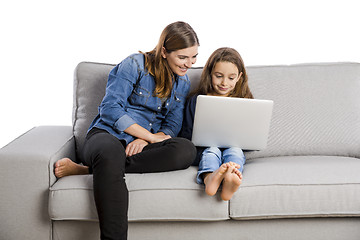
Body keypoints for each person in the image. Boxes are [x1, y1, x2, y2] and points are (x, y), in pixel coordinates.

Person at [54, 21, 199, 240]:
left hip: (143, 147)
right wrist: (147, 135)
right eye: (182, 57)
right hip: (107, 134)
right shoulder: (134, 64)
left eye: (194, 56)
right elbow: (110, 109)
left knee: (186, 150)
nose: (189, 64)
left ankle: (89, 170)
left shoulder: (183, 82)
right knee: (109, 153)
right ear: (164, 52)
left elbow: (171, 127)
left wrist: (148, 141)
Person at [179, 47, 253, 201]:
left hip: (233, 148)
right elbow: (186, 134)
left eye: (231, 78)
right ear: (210, 74)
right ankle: (209, 179)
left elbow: (251, 138)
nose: (224, 83)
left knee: (235, 152)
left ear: (239, 77)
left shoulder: (245, 101)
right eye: (218, 76)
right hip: (202, 150)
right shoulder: (196, 100)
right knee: (212, 150)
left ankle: (229, 179)